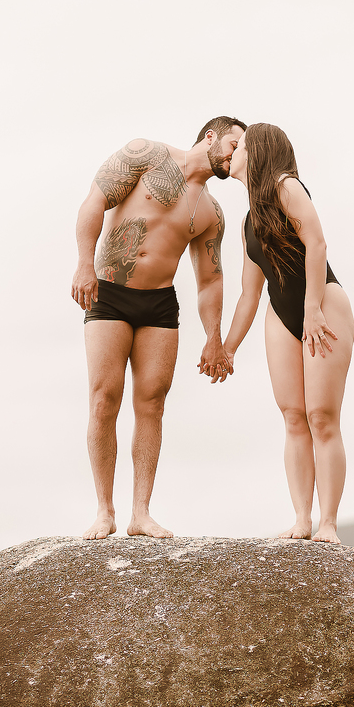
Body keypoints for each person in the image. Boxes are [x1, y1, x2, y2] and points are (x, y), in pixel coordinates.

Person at [71, 116, 246, 540]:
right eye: (234, 144)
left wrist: (214, 337)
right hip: (110, 291)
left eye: (242, 151)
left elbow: (209, 280)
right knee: (103, 398)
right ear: (211, 136)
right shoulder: (146, 154)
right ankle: (103, 511)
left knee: (152, 403)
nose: (236, 155)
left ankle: (141, 513)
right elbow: (94, 203)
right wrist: (83, 264)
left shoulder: (211, 213)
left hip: (159, 306)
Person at [222, 122, 354, 544]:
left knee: (321, 416)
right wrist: (225, 348)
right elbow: (248, 294)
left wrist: (313, 309)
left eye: (238, 145)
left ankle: (328, 524)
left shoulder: (286, 186)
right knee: (293, 416)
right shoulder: (248, 222)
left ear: (257, 150)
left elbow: (316, 245)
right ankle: (301, 519)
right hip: (281, 315)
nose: (231, 152)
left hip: (323, 304)